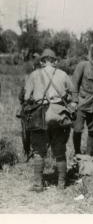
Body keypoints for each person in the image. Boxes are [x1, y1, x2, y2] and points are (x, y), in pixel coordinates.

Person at [24, 49, 76, 192]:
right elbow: (73, 94)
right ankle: (61, 184)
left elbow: (26, 97)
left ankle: (38, 184)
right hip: (59, 116)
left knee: (39, 152)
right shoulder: (63, 74)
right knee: (59, 151)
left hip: (40, 117)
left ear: (42, 61)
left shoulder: (34, 75)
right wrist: (71, 104)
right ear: (55, 61)